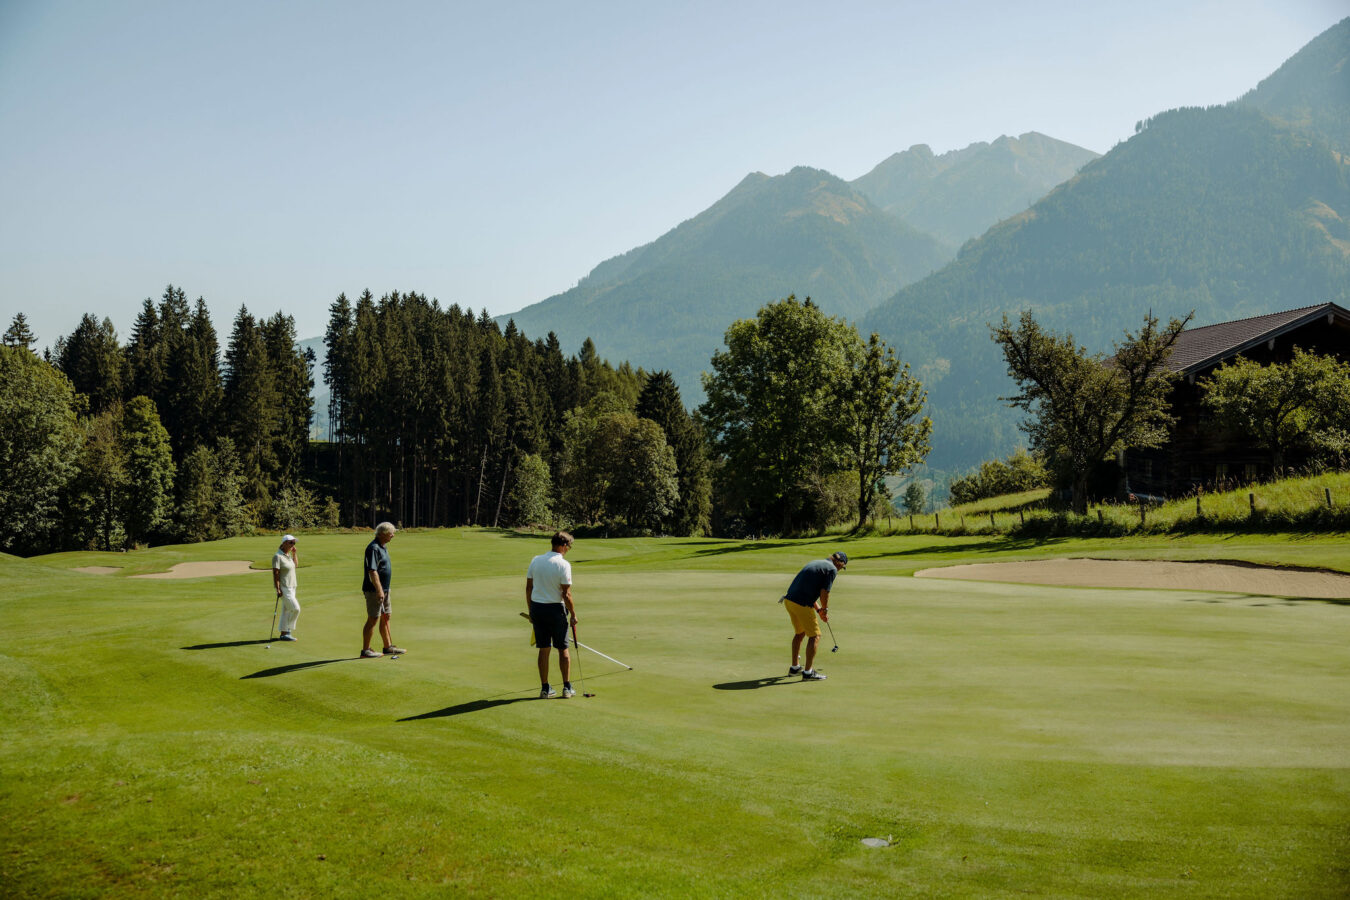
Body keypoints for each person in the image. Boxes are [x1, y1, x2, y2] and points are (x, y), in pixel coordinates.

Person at [525, 531, 577, 698]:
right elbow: (566, 594)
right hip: (556, 610)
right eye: (568, 546)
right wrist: (573, 614)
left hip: (538, 609)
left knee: (544, 649)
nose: (568, 549)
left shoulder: (536, 560)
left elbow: (529, 588)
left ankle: (545, 688)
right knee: (563, 649)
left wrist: (531, 610)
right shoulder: (563, 564)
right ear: (563, 545)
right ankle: (567, 688)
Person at [781, 551, 847, 681]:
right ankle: (808, 673)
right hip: (801, 603)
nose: (839, 569)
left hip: (789, 601)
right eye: (841, 566)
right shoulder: (831, 569)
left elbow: (808, 591)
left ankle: (794, 668)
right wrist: (825, 609)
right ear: (838, 562)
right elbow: (825, 592)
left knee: (800, 633)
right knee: (815, 635)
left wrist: (819, 611)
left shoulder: (817, 563)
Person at [361, 522, 403, 658]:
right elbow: (372, 571)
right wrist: (379, 590)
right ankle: (366, 650)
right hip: (374, 590)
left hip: (385, 588)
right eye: (391, 533)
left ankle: (388, 647)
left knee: (386, 617)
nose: (393, 536)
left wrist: (384, 590)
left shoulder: (382, 547)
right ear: (383, 533)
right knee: (373, 618)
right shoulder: (373, 548)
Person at [271, 534, 300, 641]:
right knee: (296, 609)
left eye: (294, 543)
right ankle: (288, 630)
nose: (293, 544)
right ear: (284, 543)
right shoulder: (277, 557)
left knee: (286, 610)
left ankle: (283, 634)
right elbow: (276, 574)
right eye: (291, 542)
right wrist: (278, 589)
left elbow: (295, 565)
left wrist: (294, 553)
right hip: (285, 587)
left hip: (293, 586)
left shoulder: (288, 555)